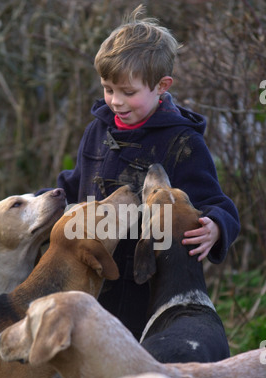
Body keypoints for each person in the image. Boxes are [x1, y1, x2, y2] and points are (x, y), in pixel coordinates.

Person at [40, 6, 240, 342]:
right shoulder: (96, 130)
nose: (115, 101)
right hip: (91, 276)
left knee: (134, 367)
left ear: (162, 86)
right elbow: (75, 184)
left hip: (145, 288)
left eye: (128, 92)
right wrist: (39, 204)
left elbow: (211, 201)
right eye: (108, 89)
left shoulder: (182, 142)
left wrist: (217, 227)